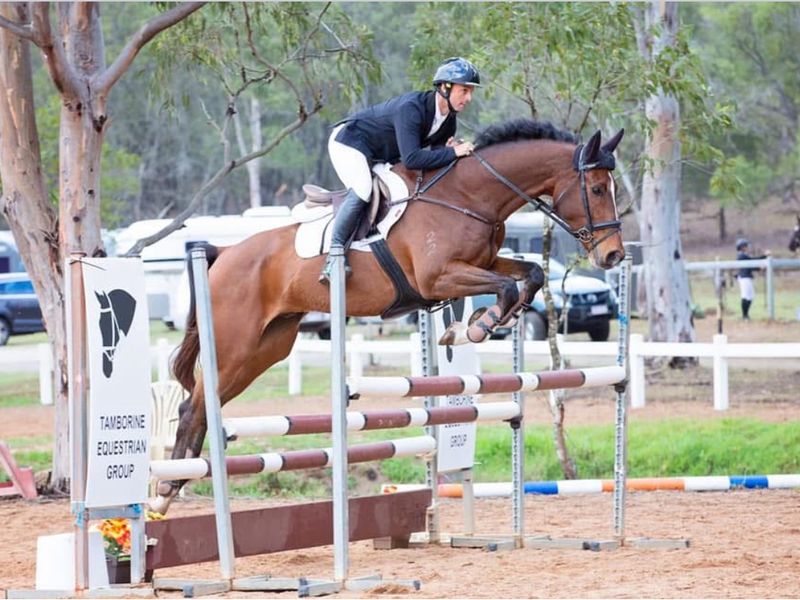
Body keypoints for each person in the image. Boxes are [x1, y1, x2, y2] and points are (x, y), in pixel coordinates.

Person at [319, 57, 481, 282]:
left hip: (380, 155)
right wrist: (453, 153)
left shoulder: (449, 121)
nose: (469, 98)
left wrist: (448, 151)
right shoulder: (411, 108)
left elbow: (434, 161)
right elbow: (412, 159)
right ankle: (334, 255)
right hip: (350, 142)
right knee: (363, 188)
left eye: (471, 91)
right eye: (464, 90)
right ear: (445, 87)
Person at [735, 238, 769, 320]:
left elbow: (750, 266)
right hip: (744, 278)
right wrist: (764, 256)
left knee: (750, 296)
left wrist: (759, 268)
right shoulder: (742, 256)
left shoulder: (744, 255)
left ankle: (746, 315)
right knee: (746, 296)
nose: (747, 247)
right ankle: (744, 315)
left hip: (747, 277)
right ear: (742, 247)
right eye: (745, 246)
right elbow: (753, 261)